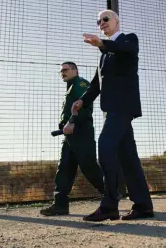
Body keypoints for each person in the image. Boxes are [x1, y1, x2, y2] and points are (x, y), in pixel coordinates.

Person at [71, 10, 154, 221]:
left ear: (117, 21)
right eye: (98, 21)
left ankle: (109, 204)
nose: (101, 24)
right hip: (111, 109)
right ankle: (143, 205)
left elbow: (123, 49)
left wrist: (101, 44)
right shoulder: (105, 55)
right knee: (128, 158)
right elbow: (96, 84)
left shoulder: (128, 40)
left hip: (123, 107)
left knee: (105, 147)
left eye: (105, 19)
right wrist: (83, 100)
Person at [40, 62, 104, 216]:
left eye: (65, 70)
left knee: (89, 167)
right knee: (64, 168)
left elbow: (83, 105)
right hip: (70, 134)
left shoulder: (80, 84)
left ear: (75, 71)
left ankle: (113, 192)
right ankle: (60, 204)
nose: (63, 72)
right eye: (61, 71)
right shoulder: (69, 87)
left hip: (82, 132)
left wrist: (72, 121)